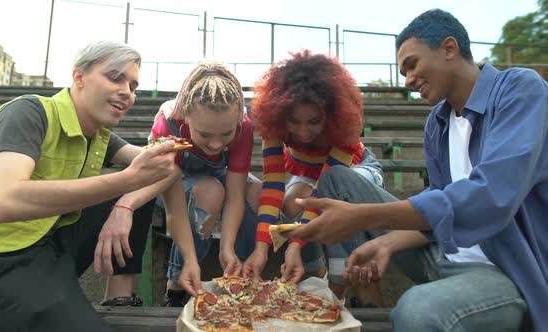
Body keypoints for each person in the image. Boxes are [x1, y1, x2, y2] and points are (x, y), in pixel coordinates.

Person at [285, 9, 547, 331]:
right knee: (338, 180)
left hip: (504, 272)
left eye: (412, 64)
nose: (407, 80)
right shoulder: (438, 122)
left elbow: (491, 196)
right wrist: (387, 243)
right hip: (444, 255)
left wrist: (363, 217)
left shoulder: (519, 90)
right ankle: (356, 292)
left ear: (449, 49)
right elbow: (439, 207)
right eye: (403, 71)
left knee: (416, 309)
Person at [0, 41, 181, 331]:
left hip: (45, 250)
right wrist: (127, 181)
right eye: (115, 78)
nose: (127, 91)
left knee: (139, 184)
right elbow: (5, 202)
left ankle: (119, 296)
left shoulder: (100, 135)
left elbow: (164, 170)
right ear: (78, 77)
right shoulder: (28, 113)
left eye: (134, 85)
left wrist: (125, 205)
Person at [102, 59, 262, 307]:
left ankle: (241, 273)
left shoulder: (243, 126)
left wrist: (226, 247)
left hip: (217, 175)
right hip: (172, 181)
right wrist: (189, 259)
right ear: (186, 116)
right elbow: (173, 203)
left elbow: (237, 193)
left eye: (226, 134)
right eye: (205, 134)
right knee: (210, 191)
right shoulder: (168, 124)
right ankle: (177, 286)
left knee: (256, 189)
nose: (217, 145)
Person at [242, 50, 385, 306]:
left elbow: (328, 188)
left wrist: (295, 243)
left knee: (340, 197)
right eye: (293, 122)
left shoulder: (347, 122)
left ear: (330, 114)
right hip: (307, 174)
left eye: (314, 122)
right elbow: (273, 185)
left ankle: (345, 286)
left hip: (353, 173)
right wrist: (261, 248)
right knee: (292, 201)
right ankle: (313, 272)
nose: (303, 132)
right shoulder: (273, 125)